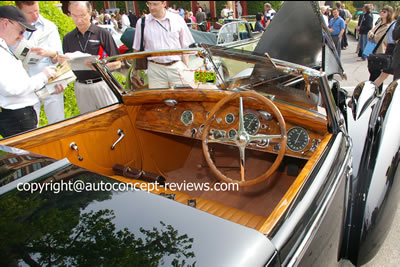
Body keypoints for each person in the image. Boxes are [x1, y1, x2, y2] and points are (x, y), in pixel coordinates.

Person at [0, 5, 60, 137]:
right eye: (20, 31)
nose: (22, 37)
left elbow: (18, 86)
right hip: (17, 117)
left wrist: (47, 88)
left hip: (20, 115)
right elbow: (11, 89)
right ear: (5, 23)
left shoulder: (4, 47)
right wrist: (43, 76)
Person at [60, 1, 120, 114]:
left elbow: (118, 63)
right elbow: (67, 65)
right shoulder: (68, 38)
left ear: (90, 13)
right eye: (74, 16)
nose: (78, 20)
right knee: (90, 122)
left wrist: (99, 67)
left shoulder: (102, 33)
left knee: (111, 118)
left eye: (82, 15)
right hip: (81, 87)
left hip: (101, 84)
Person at [15, 1, 65, 126]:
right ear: (18, 10)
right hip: (26, 86)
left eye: (36, 10)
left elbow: (59, 57)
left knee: (57, 125)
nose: (35, 15)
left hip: (50, 83)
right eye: (30, 12)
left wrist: (47, 52)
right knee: (31, 127)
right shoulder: (13, 28)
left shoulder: (49, 27)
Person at [131, 1, 195, 89]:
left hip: (176, 67)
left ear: (164, 4)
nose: (151, 7)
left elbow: (185, 47)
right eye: (149, 4)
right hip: (155, 69)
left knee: (183, 99)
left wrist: (186, 67)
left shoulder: (177, 20)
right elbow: (136, 49)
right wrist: (134, 72)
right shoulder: (142, 22)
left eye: (155, 4)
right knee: (158, 100)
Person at [367, 6, 394, 88]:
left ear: (389, 14)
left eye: (384, 11)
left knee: (376, 74)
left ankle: (375, 91)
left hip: (379, 51)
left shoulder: (387, 26)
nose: (382, 12)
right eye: (381, 10)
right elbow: (370, 34)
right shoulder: (379, 23)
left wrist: (371, 34)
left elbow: (376, 38)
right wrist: (371, 34)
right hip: (371, 48)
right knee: (371, 72)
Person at [375, 7, 400, 87]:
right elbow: (395, 37)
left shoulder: (391, 23)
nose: (382, 12)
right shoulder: (395, 23)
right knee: (386, 76)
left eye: (384, 11)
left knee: (383, 76)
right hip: (394, 52)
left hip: (391, 49)